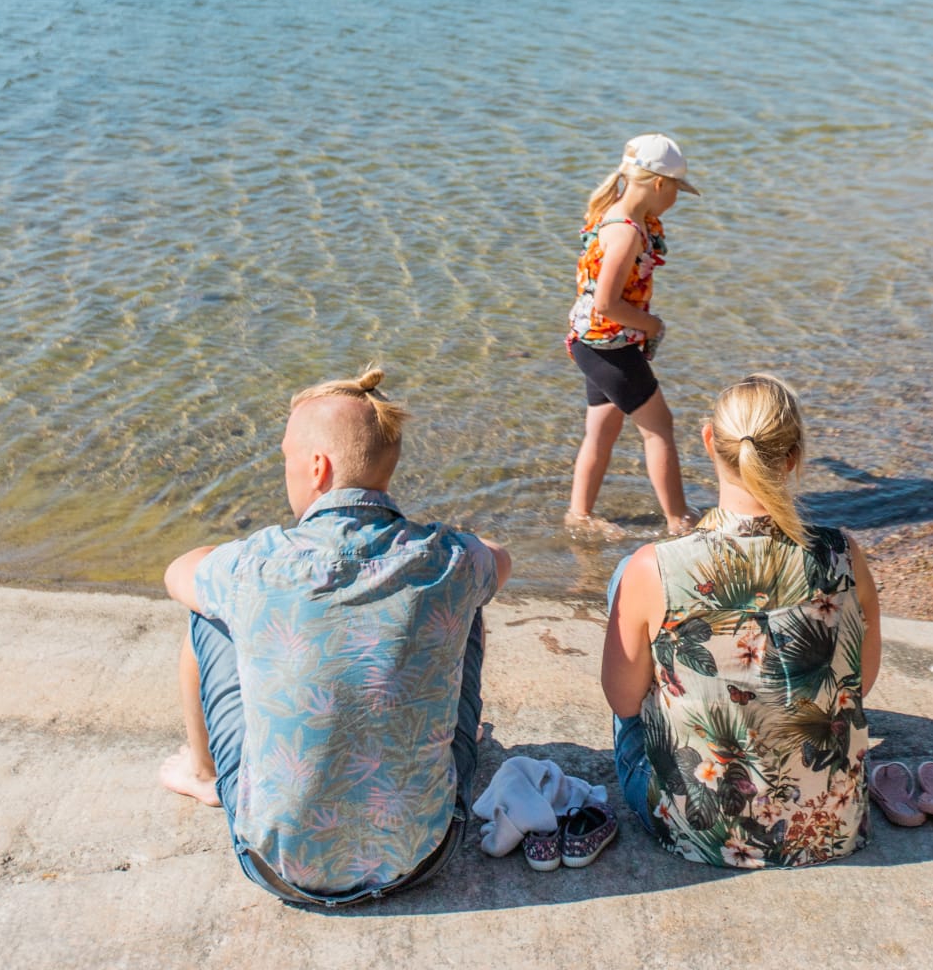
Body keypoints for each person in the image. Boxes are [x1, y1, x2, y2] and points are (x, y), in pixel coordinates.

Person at [159, 367, 511, 908]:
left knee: (207, 612)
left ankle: (203, 773)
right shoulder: (449, 559)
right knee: (469, 603)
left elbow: (177, 571)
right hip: (423, 854)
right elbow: (500, 558)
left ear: (317, 468)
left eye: (286, 459)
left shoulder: (255, 566)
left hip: (278, 867)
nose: (285, 470)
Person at [601, 374, 881, 868]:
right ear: (793, 456)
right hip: (830, 828)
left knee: (627, 577)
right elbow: (864, 678)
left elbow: (623, 702)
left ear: (709, 440)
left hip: (698, 832)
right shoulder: (841, 553)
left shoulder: (655, 566)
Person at [565, 133, 699, 542]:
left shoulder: (617, 213)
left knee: (601, 432)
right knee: (660, 428)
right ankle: (679, 521)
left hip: (592, 342)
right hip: (610, 345)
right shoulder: (625, 232)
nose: (677, 197)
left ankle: (578, 514)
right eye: (677, 188)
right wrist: (651, 325)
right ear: (660, 185)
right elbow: (606, 303)